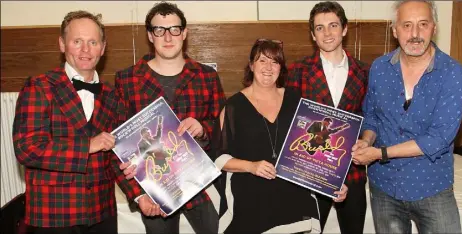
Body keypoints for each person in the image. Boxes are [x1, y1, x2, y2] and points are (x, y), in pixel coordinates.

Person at [12, 10, 146, 234]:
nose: (85, 50)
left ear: (102, 49)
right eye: (77, 41)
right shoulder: (39, 87)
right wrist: (88, 146)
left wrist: (139, 195)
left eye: (92, 42)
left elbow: (117, 156)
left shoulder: (112, 96)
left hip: (101, 212)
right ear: (62, 44)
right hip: (53, 215)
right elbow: (27, 149)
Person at [209, 39, 348, 233]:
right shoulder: (233, 106)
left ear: (281, 67)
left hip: (293, 200)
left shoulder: (297, 101)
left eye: (274, 62)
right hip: (251, 203)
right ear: (251, 65)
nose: (268, 67)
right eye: (262, 61)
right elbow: (218, 159)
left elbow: (316, 150)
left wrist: (333, 182)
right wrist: (251, 166)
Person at [351, 1, 462, 233]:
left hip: (431, 187)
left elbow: (439, 138)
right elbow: (372, 117)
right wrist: (366, 141)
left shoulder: (453, 73)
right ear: (395, 30)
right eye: (407, 25)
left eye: (423, 24)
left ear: (434, 27)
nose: (415, 34)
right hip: (384, 188)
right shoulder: (379, 68)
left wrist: (380, 153)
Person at [115, 1, 225, 233]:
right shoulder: (127, 80)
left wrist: (203, 128)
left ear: (184, 33)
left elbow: (224, 129)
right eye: (159, 30)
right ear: (150, 35)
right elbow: (117, 146)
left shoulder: (206, 76)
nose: (168, 37)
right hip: (154, 189)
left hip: (198, 183)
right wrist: (137, 195)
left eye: (174, 29)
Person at [286, 2, 369, 233]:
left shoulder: (364, 72)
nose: (327, 33)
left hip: (351, 170)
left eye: (333, 25)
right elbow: (290, 122)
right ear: (313, 35)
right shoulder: (298, 71)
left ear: (344, 29)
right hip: (310, 172)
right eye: (320, 28)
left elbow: (369, 118)